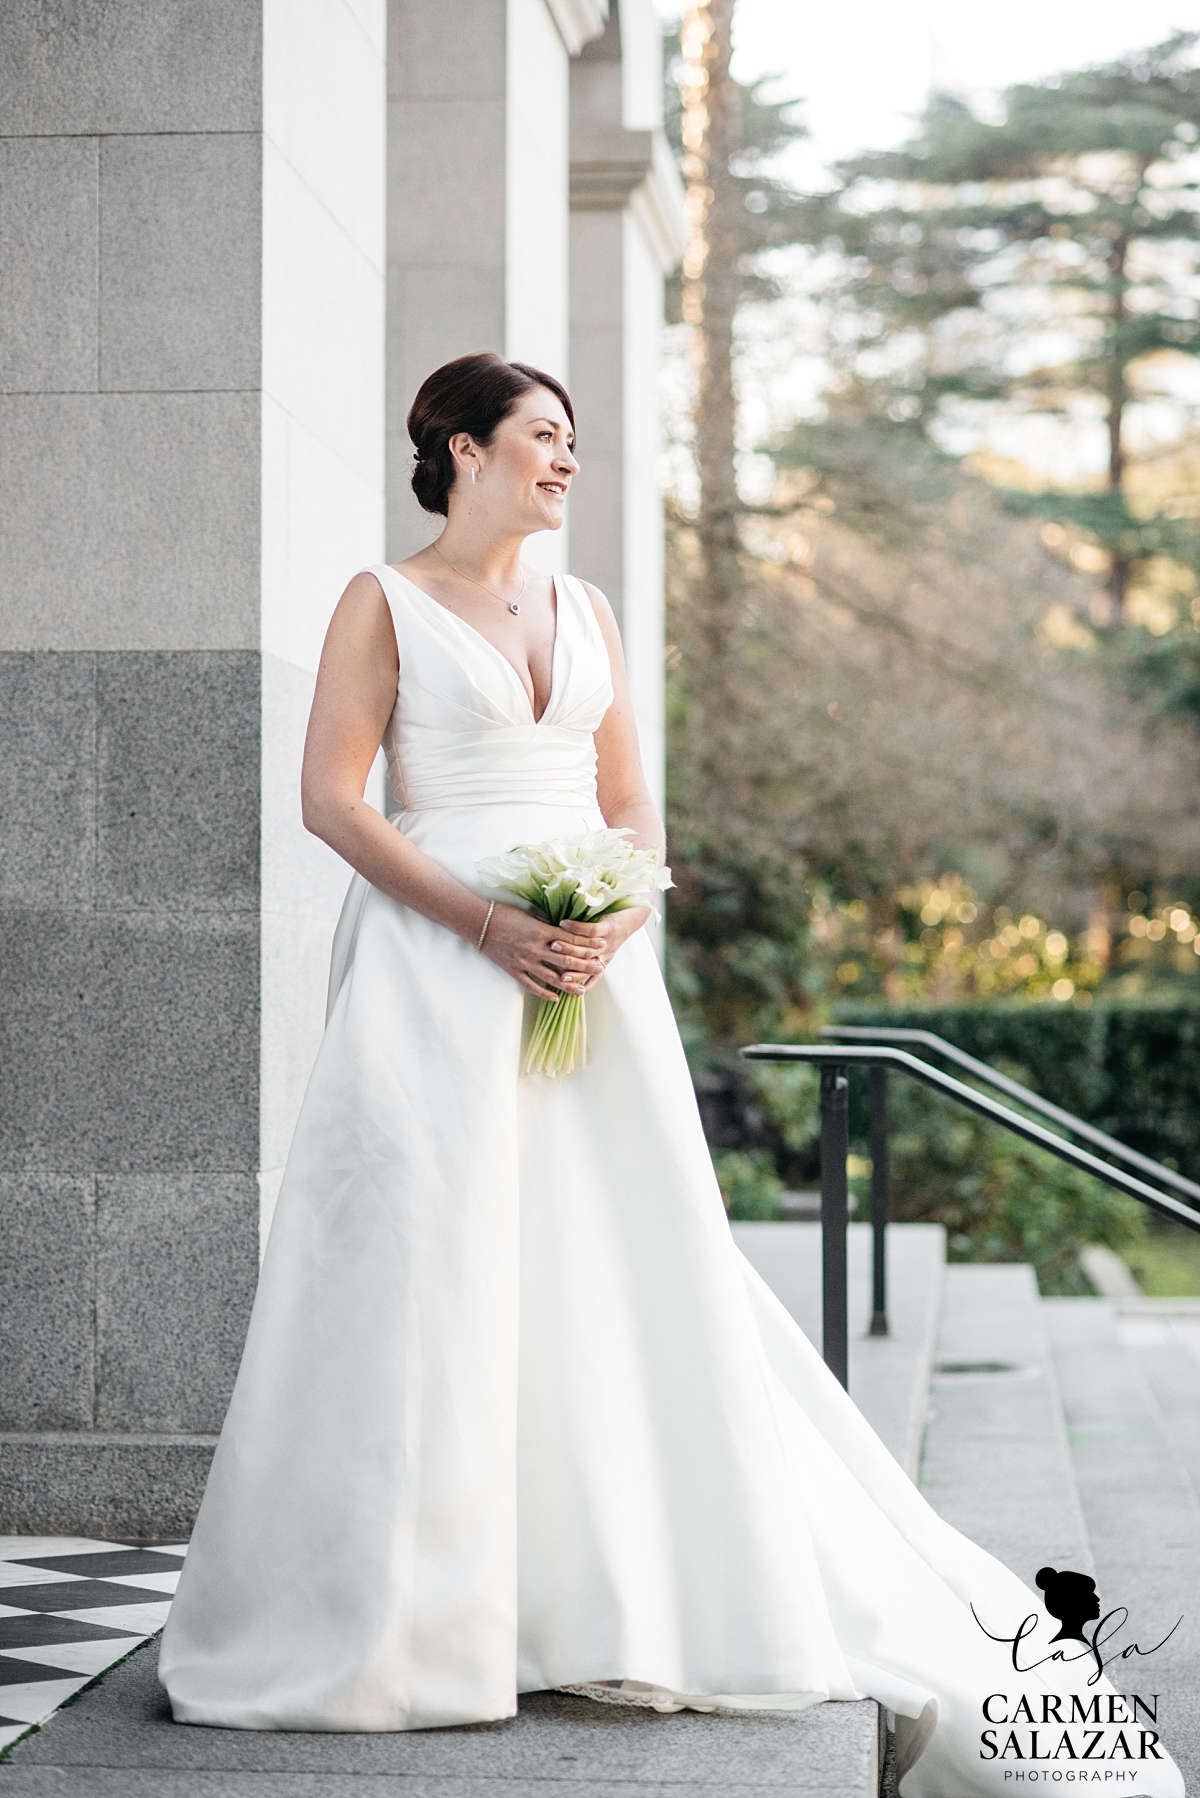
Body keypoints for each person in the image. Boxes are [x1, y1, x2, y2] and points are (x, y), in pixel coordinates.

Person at [159, 354, 1182, 1797]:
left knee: (602, 1267)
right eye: (541, 438)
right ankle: (396, 1619)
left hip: (593, 976)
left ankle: (601, 1590)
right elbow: (333, 798)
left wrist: (604, 922)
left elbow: (631, 801)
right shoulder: (379, 602)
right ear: (459, 450)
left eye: (574, 439)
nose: (566, 461)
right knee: (424, 1267)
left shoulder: (588, 610)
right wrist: (490, 923)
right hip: (433, 980)